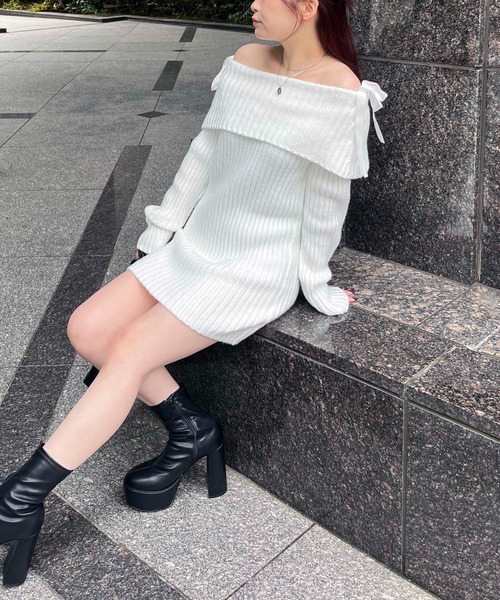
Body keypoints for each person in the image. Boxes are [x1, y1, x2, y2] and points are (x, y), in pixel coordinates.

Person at [0, 0, 387, 588]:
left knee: (129, 349)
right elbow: (202, 155)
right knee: (86, 328)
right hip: (200, 244)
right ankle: (190, 429)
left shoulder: (341, 91)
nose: (251, 5)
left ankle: (19, 500)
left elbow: (327, 206)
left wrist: (317, 284)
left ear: (307, 6)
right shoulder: (246, 60)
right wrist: (160, 234)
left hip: (256, 267)